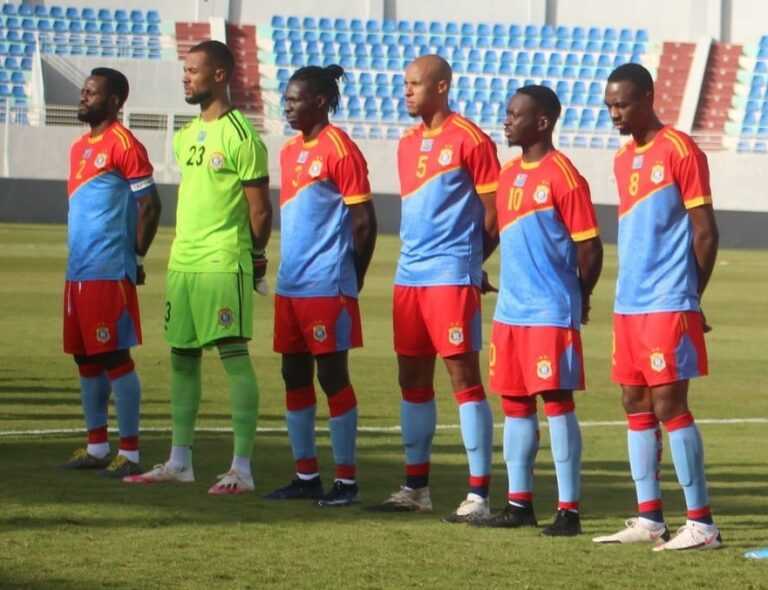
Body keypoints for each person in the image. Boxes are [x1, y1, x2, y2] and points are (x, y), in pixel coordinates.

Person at [124, 40, 272, 495]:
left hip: (222, 261)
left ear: (220, 75)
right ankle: (179, 461)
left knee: (232, 354)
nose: (185, 77)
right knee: (182, 357)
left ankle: (241, 469)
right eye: (185, 70)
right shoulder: (185, 134)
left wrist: (256, 258)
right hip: (183, 262)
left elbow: (260, 211)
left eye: (193, 70)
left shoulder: (242, 136)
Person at [593, 63, 721, 550]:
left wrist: (691, 295)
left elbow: (705, 232)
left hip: (668, 300)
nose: (615, 114)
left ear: (648, 97)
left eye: (622, 104)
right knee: (634, 402)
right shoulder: (623, 158)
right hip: (629, 303)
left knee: (670, 404)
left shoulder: (681, 150)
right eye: (610, 106)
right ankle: (649, 518)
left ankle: (702, 525)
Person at [471, 86, 603, 536]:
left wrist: (580, 295)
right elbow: (499, 233)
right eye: (507, 113)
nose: (506, 121)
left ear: (542, 122)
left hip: (548, 311)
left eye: (515, 114)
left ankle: (569, 510)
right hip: (510, 311)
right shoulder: (508, 173)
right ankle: (519, 503)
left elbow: (590, 247)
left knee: (557, 403)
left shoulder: (564, 176)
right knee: (515, 404)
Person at [373, 55, 500, 521]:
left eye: (415, 84)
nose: (406, 91)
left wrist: (469, 262)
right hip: (409, 276)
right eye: (404, 83)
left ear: (442, 86)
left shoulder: (471, 139)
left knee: (463, 380)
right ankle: (415, 488)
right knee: (411, 380)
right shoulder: (407, 142)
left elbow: (495, 214)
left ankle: (478, 495)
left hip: (449, 276)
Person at [263, 64, 377, 507]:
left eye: (295, 99)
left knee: (332, 376)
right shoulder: (291, 150)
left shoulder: (340, 149)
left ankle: (346, 482)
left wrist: (354, 277)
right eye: (286, 99)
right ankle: (305, 475)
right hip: (291, 285)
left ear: (320, 101)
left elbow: (364, 223)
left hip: (327, 285)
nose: (287, 106)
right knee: (293, 374)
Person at [61, 67, 162, 478]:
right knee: (85, 357)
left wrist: (135, 257)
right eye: (84, 90)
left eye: (92, 92)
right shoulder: (78, 148)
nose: (84, 97)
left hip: (107, 270)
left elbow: (150, 206)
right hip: (78, 272)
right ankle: (97, 446)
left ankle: (131, 452)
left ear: (115, 100)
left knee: (115, 356)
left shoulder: (124, 144)